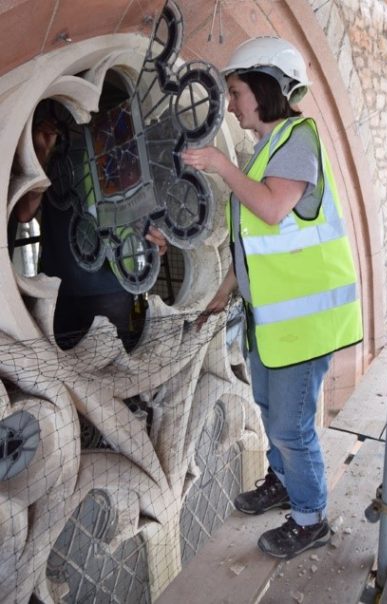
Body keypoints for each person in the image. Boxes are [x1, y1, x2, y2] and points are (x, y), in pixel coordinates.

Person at [183, 36, 363, 559]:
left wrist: (220, 164)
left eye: (237, 92)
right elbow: (256, 245)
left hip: (307, 324)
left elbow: (269, 210)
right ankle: (284, 483)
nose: (233, 105)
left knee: (291, 425)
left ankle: (310, 520)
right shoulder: (268, 149)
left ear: (265, 87)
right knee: (269, 409)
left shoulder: (297, 140)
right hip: (274, 320)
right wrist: (222, 292)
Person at [12, 99, 167, 351]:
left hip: (110, 287)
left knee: (110, 370)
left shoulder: (122, 159)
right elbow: (24, 213)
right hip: (58, 289)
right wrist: (41, 153)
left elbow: (148, 220)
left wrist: (155, 243)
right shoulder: (55, 155)